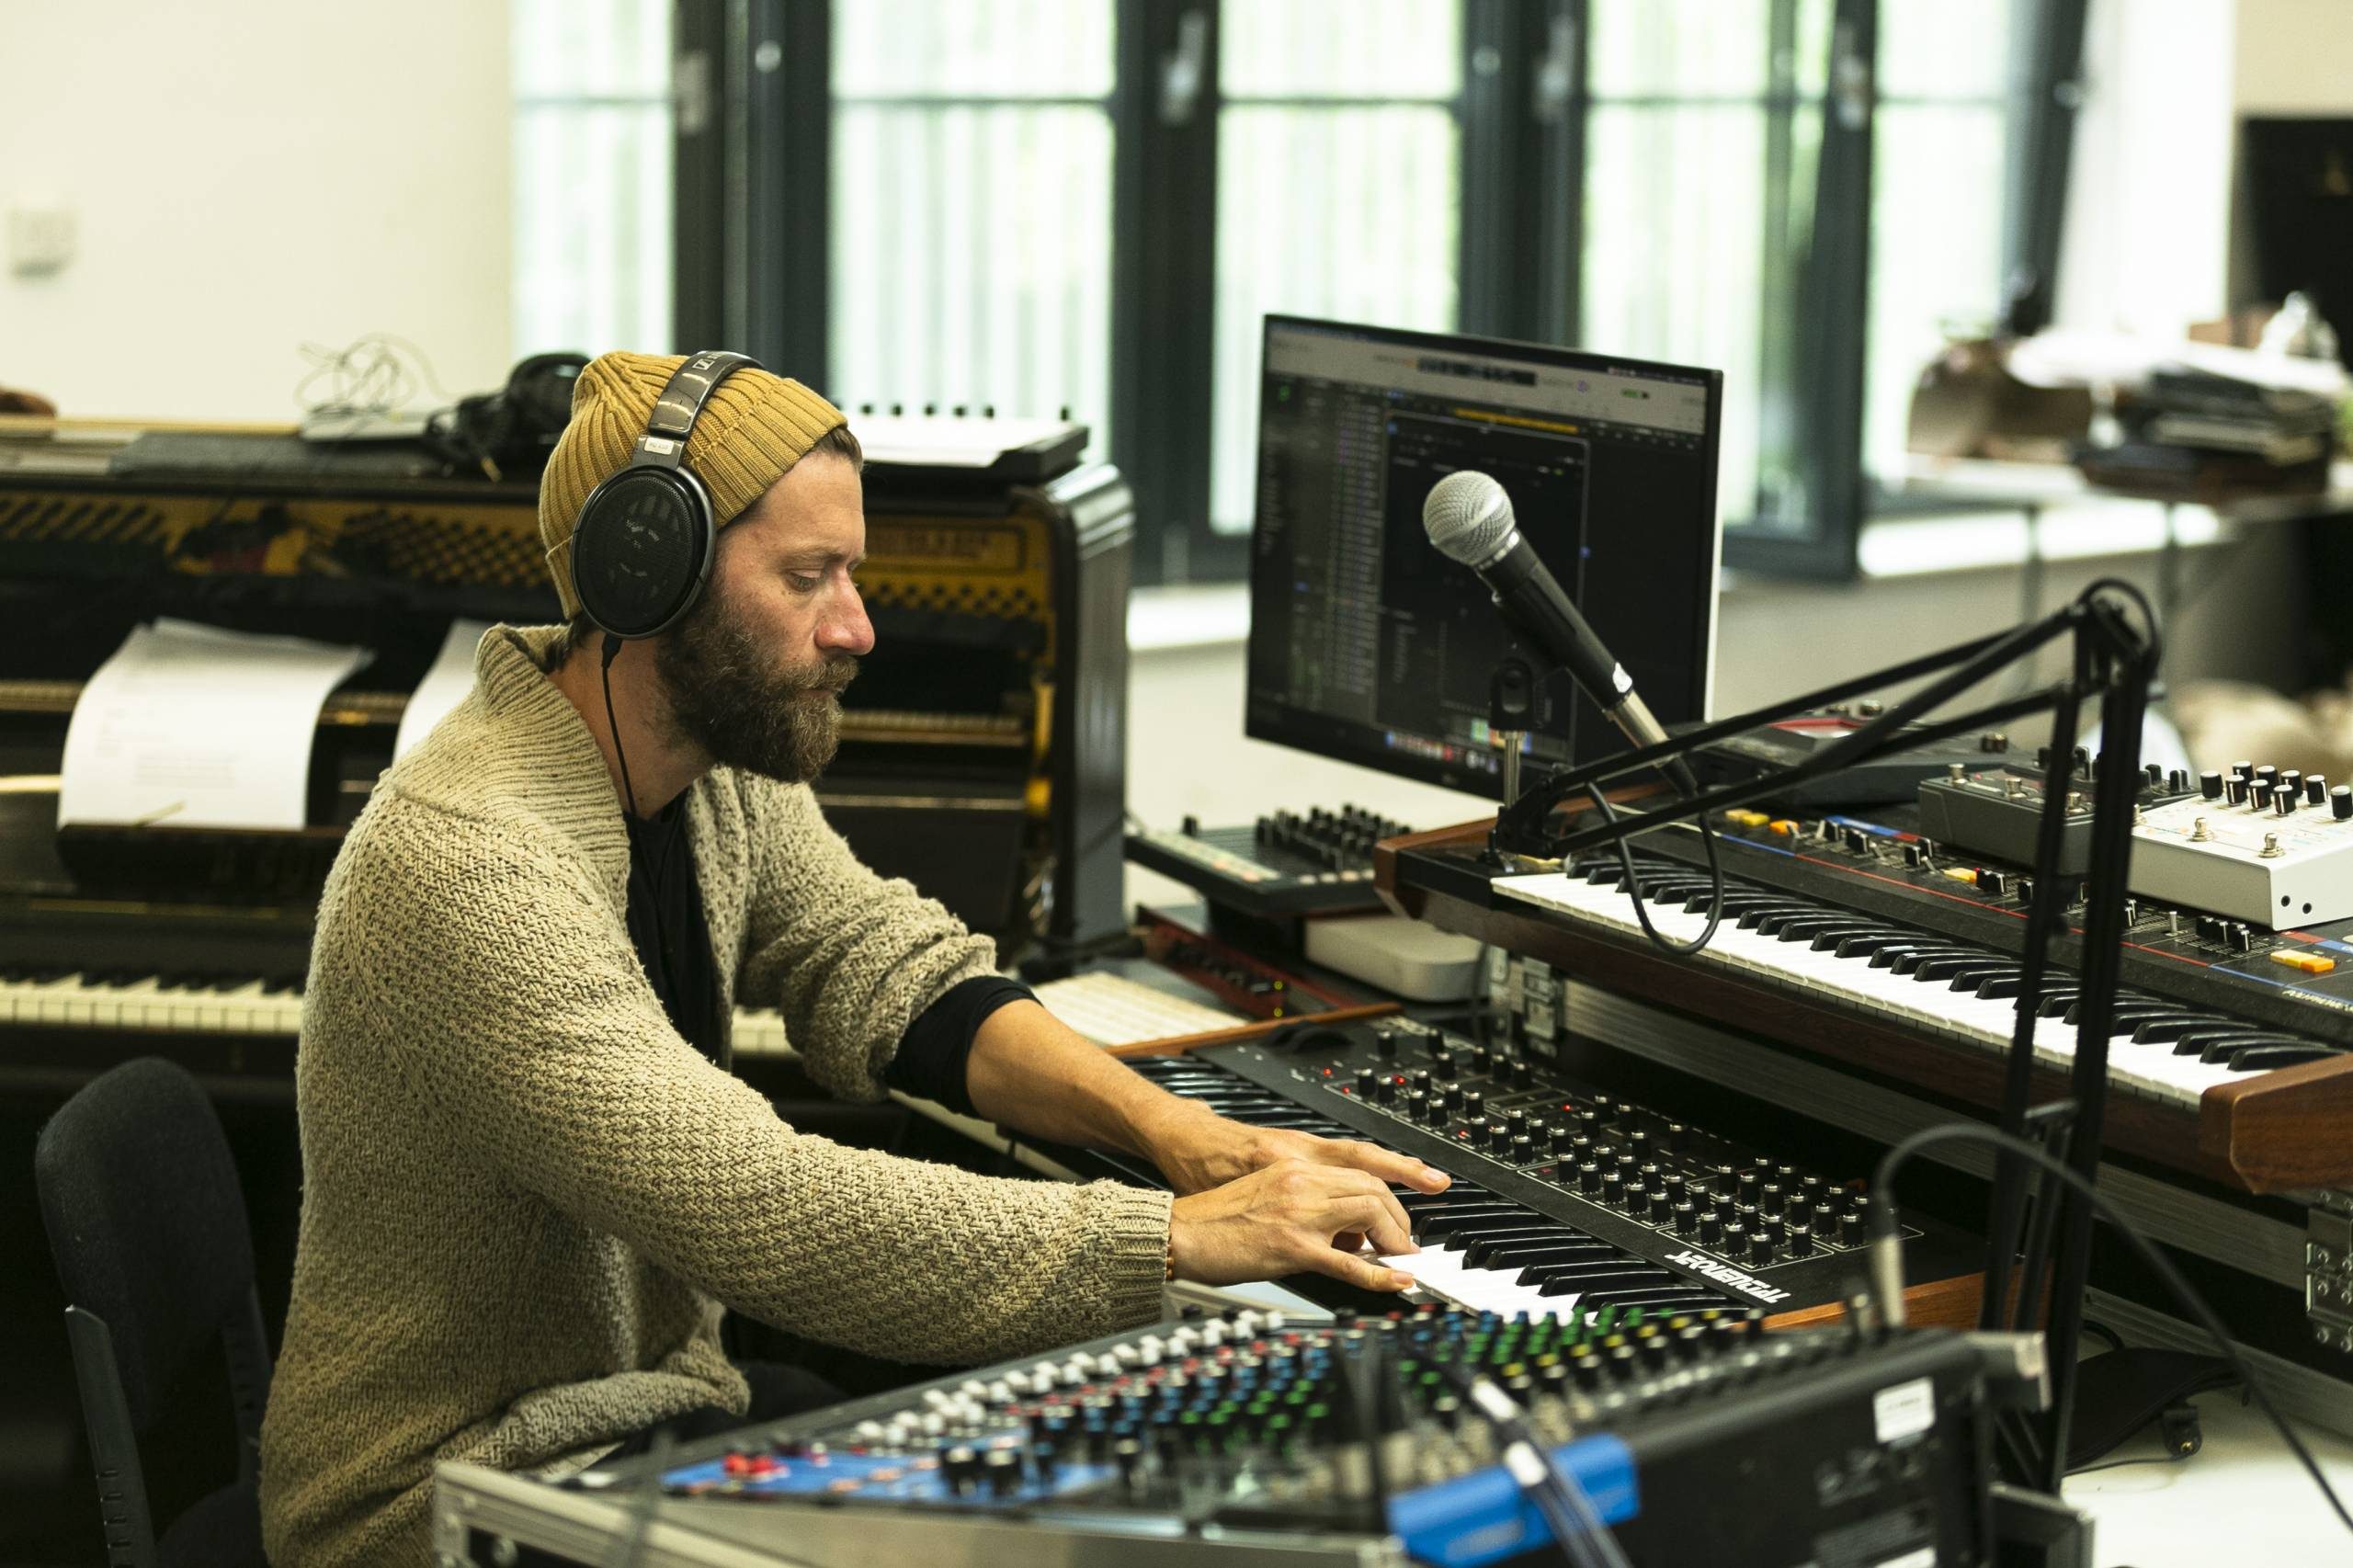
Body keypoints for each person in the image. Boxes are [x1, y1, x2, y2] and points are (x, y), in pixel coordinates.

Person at [256, 351, 1449, 1564]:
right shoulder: (470, 862)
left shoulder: (704, 766)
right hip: (445, 1502)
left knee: (1050, 1485)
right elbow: (761, 1207)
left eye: (853, 573)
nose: (856, 627)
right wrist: (1176, 1238)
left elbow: (892, 970)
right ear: (649, 580)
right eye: (806, 577)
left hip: (640, 1416)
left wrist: (1182, 1136)